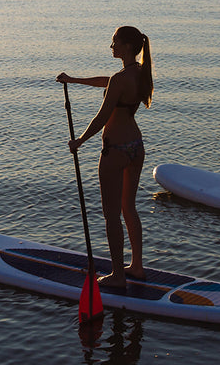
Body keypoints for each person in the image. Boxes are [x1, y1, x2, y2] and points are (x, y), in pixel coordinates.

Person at [56, 26, 153, 288]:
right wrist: (74, 80)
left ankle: (118, 276)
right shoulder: (140, 72)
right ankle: (137, 267)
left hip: (116, 151)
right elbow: (108, 82)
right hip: (136, 146)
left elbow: (101, 117)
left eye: (115, 42)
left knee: (112, 215)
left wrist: (79, 141)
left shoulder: (120, 79)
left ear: (128, 47)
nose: (111, 47)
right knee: (129, 208)